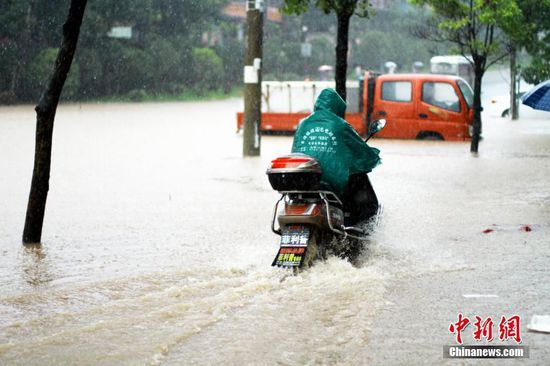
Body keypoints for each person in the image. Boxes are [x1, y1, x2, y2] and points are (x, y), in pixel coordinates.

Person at [291, 88, 381, 224]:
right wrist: (373, 157)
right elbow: (361, 150)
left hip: (304, 179)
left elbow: (295, 150)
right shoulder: (340, 125)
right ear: (338, 108)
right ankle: (356, 224)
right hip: (331, 180)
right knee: (363, 194)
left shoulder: (303, 123)